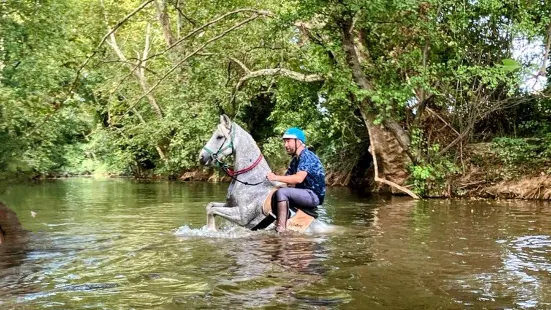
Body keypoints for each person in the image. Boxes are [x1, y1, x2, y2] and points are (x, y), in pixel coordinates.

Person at [266, 128, 326, 232]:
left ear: (298, 141)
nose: (285, 145)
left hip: (312, 196)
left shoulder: (307, 156)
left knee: (282, 193)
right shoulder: (295, 161)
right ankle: (280, 220)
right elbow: (287, 181)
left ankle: (281, 229)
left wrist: (275, 177)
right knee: (277, 191)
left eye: (288, 141)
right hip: (303, 193)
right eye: (284, 142)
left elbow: (298, 179)